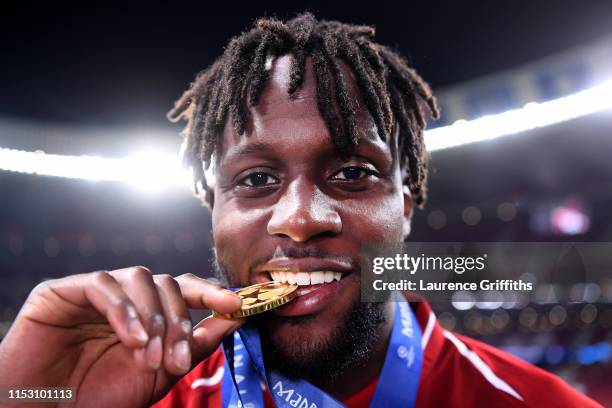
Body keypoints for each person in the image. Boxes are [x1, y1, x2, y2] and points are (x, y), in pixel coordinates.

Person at [0, 13, 601, 408]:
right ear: (212, 211)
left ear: (407, 207)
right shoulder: (133, 399)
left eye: (351, 173)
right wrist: (27, 397)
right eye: (256, 179)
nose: (301, 216)